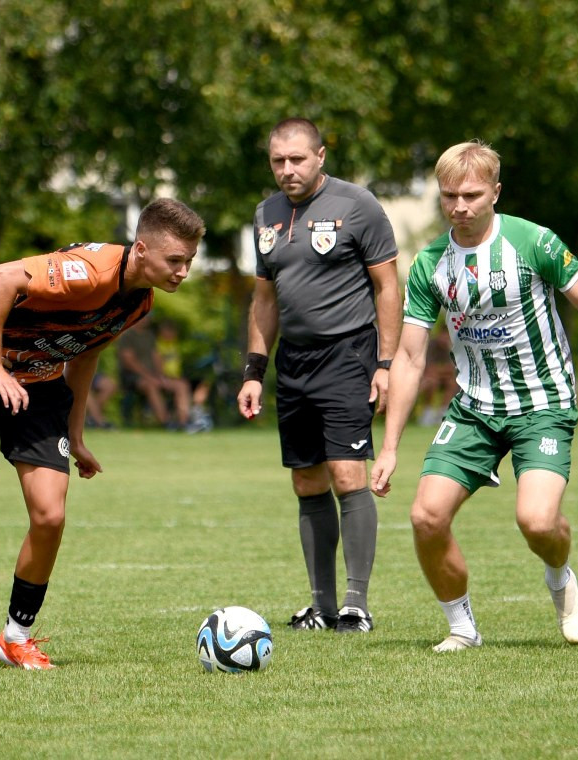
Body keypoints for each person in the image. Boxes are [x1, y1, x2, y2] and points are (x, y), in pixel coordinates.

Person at [371, 140, 578, 652]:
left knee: (537, 522)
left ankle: (560, 578)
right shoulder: (431, 264)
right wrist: (389, 447)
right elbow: (408, 358)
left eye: (471, 194)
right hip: (474, 409)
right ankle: (463, 628)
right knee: (426, 516)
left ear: (496, 191)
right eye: (449, 196)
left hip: (542, 403)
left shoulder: (533, 242)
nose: (459, 207)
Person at [0, 198, 206, 669]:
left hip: (41, 386)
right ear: (141, 249)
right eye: (175, 260)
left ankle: (16, 637)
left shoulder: (140, 301)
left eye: (189, 261)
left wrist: (76, 435)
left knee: (50, 516)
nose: (183, 272)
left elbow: (86, 353)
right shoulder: (89, 271)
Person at [237, 117, 402, 634]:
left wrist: (386, 364)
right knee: (306, 480)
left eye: (297, 160)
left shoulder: (358, 206)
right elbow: (265, 300)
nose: (287, 170)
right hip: (295, 362)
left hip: (348, 354)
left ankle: (356, 604)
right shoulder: (264, 213)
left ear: (321, 156)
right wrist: (254, 372)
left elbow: (388, 288)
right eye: (277, 161)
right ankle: (322, 605)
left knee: (348, 475)